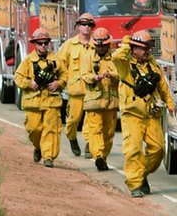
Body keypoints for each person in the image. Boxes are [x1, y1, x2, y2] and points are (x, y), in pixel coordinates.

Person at [111, 29, 176, 197]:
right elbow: (117, 56)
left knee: (159, 150)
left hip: (152, 114)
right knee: (133, 150)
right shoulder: (124, 65)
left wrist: (170, 104)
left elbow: (162, 84)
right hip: (132, 114)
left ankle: (141, 174)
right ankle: (135, 185)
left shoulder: (152, 64)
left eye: (148, 47)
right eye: (143, 48)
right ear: (134, 49)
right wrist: (127, 42)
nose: (147, 51)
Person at [14, 29, 67, 168]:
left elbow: (65, 76)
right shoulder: (27, 61)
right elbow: (18, 78)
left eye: (45, 43)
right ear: (35, 44)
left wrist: (58, 83)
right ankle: (38, 147)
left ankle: (48, 157)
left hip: (51, 101)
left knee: (51, 129)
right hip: (34, 102)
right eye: (40, 43)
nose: (43, 46)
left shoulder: (56, 61)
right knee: (34, 129)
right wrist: (29, 83)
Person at [80, 27, 119, 171]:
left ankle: (103, 157)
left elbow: (121, 74)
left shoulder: (115, 58)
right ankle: (98, 156)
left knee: (108, 132)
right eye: (98, 45)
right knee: (95, 130)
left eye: (103, 45)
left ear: (108, 44)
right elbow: (84, 75)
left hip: (111, 101)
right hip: (94, 101)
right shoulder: (88, 57)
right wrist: (94, 78)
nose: (101, 48)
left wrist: (111, 75)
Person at [57, 12, 95, 158]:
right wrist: (61, 82)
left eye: (90, 25)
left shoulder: (96, 45)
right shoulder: (70, 45)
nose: (86, 27)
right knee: (73, 120)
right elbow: (60, 64)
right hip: (75, 89)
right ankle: (72, 138)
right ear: (78, 26)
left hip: (92, 90)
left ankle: (89, 144)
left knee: (91, 120)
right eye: (84, 24)